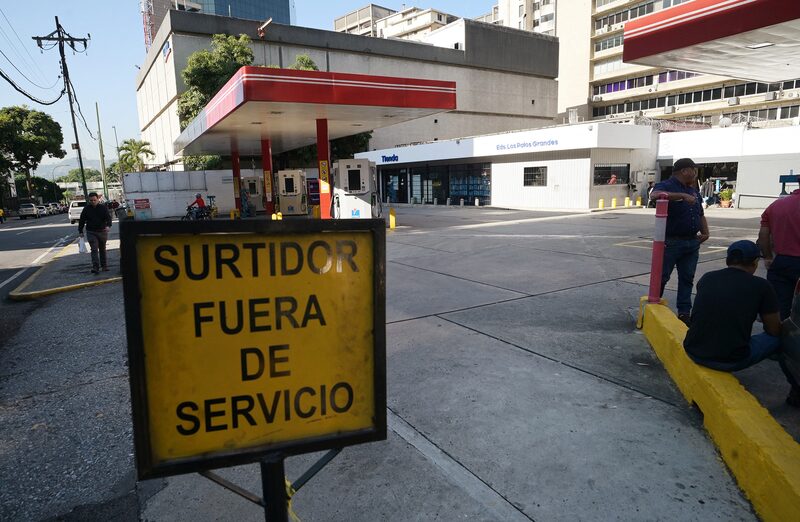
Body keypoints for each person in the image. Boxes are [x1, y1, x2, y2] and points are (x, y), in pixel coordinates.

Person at [683, 240, 799, 407]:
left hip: (693, 349)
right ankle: (796, 391)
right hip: (729, 359)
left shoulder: (707, 278)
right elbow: (774, 330)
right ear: (754, 262)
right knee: (784, 338)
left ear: (728, 260)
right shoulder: (762, 286)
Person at [650, 158, 710, 325]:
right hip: (671, 242)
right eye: (694, 170)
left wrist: (706, 232)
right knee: (662, 277)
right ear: (685, 171)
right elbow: (655, 196)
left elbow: (700, 214)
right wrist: (681, 196)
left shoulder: (693, 190)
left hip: (692, 242)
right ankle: (655, 306)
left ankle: (684, 312)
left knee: (687, 278)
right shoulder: (667, 186)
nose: (696, 174)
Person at [758, 186, 800, 320]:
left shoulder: (776, 206)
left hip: (782, 262)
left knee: (779, 307)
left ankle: (778, 336)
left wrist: (768, 257)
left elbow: (764, 235)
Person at [78, 192, 112, 274]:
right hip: (91, 232)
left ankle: (104, 266)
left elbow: (108, 218)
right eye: (91, 200)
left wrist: (108, 226)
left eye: (94, 200)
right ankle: (95, 267)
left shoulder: (103, 208)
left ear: (98, 199)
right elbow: (82, 220)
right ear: (89, 200)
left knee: (102, 249)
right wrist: (80, 231)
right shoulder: (86, 209)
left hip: (102, 231)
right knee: (94, 249)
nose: (93, 202)